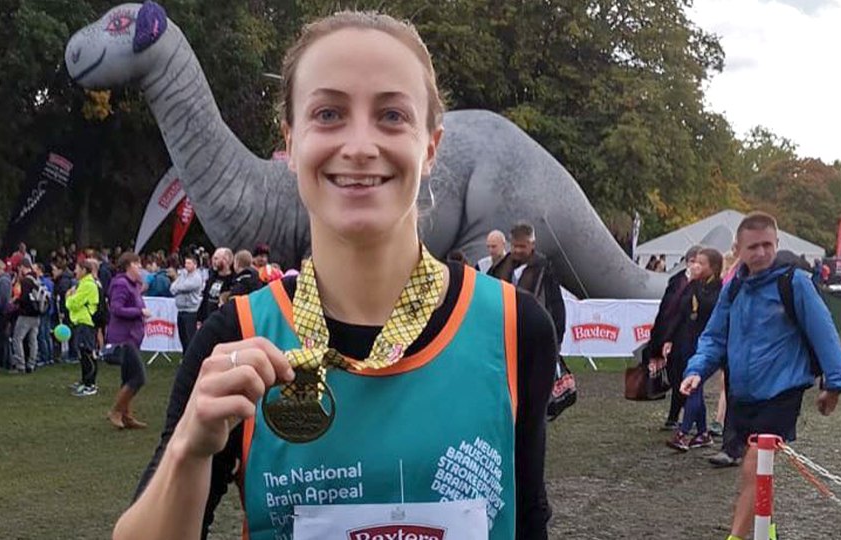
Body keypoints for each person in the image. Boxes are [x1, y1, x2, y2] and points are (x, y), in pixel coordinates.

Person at [114, 11, 557, 540]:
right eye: (328, 114)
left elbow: (528, 523)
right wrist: (189, 448)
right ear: (292, 141)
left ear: (431, 147)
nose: (360, 145)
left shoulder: (514, 328)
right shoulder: (237, 338)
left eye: (392, 115)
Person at [680, 212, 841, 540]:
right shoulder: (733, 288)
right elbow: (714, 337)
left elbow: (824, 332)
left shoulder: (794, 282)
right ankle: (764, 528)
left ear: (777, 244)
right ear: (738, 249)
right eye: (753, 246)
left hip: (782, 392)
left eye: (767, 245)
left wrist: (835, 385)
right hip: (743, 395)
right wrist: (696, 369)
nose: (761, 253)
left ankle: (737, 537)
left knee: (756, 463)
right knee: (752, 472)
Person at [660, 248, 723, 451]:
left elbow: (708, 308)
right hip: (686, 341)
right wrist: (669, 339)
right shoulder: (692, 285)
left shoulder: (719, 289)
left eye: (701, 263)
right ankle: (703, 433)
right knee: (692, 387)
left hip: (704, 345)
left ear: (712, 268)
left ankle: (684, 432)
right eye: (694, 262)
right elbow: (679, 312)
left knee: (694, 387)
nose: (696, 266)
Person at [646, 244, 702, 430]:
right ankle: (681, 418)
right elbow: (667, 309)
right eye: (693, 261)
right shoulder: (677, 281)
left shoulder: (701, 285)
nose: (695, 266)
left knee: (683, 378)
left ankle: (689, 421)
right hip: (669, 335)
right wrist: (660, 337)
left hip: (686, 337)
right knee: (674, 376)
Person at [489, 222, 567, 345]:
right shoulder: (500, 267)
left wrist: (556, 340)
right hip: (502, 337)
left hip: (533, 337)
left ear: (532, 245)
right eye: (514, 246)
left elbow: (556, 306)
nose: (517, 250)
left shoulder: (544, 269)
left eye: (522, 246)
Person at [105, 252, 150, 429]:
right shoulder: (121, 284)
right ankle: (116, 411)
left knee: (128, 377)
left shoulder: (134, 285)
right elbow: (116, 309)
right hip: (124, 338)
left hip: (133, 336)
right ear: (129, 265)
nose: (140, 268)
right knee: (139, 377)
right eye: (137, 264)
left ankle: (126, 415)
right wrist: (139, 313)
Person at [66, 259, 100, 397]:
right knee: (83, 353)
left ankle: (90, 384)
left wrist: (69, 297)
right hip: (81, 321)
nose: (75, 271)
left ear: (84, 270)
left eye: (77, 269)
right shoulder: (84, 284)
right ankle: (85, 381)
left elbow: (74, 303)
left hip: (86, 322)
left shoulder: (88, 285)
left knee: (87, 353)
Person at [11, 260, 42, 374]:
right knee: (33, 340)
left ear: (23, 267)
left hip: (25, 314)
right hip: (37, 314)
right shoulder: (37, 280)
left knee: (17, 339)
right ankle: (31, 364)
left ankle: (20, 365)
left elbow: (24, 298)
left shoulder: (25, 281)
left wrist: (16, 301)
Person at [169, 254, 204, 352]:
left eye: (189, 263)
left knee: (190, 338)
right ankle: (185, 358)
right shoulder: (183, 275)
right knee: (183, 337)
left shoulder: (197, 277)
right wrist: (178, 286)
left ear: (195, 265)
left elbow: (185, 287)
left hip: (191, 311)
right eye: (186, 263)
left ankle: (192, 359)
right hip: (180, 310)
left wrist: (177, 287)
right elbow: (172, 288)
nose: (186, 265)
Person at [197, 248, 235, 324]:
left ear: (226, 260)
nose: (213, 261)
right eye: (213, 258)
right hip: (208, 321)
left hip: (222, 323)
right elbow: (205, 298)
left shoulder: (233, 281)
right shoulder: (212, 277)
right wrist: (199, 318)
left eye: (216, 258)